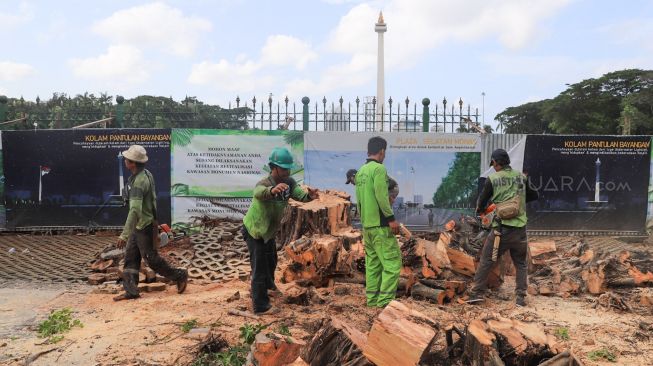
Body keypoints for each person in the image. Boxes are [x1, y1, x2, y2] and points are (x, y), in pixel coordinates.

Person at [242, 147, 318, 315]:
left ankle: (269, 287)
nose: (287, 171)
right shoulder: (265, 183)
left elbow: (299, 195)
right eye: (283, 168)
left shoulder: (289, 182)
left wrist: (309, 196)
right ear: (273, 167)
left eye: (288, 168)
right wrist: (272, 191)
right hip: (255, 232)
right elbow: (258, 192)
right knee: (259, 268)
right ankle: (260, 306)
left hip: (268, 232)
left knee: (271, 260)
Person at [115, 145, 188, 301]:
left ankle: (179, 275)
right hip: (141, 224)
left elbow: (135, 210)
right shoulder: (145, 174)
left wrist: (124, 234)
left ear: (132, 163)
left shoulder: (139, 182)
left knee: (152, 260)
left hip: (144, 226)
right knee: (130, 258)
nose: (125, 161)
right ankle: (131, 290)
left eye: (127, 159)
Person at [468, 148, 538, 306]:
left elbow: (481, 203)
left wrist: (481, 211)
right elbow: (535, 195)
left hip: (501, 230)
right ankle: (520, 297)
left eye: (492, 163)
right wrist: (517, 204)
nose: (492, 165)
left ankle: (476, 294)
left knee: (486, 260)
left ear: (495, 162)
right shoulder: (521, 177)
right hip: (520, 229)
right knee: (520, 263)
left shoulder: (492, 179)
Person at [355, 137, 401, 308]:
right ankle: (384, 304)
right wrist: (391, 219)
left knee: (373, 265)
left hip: (367, 227)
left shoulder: (361, 171)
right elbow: (382, 197)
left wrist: (364, 222)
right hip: (381, 226)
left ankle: (372, 302)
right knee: (392, 264)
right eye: (384, 152)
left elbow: (359, 201)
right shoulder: (379, 169)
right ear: (382, 151)